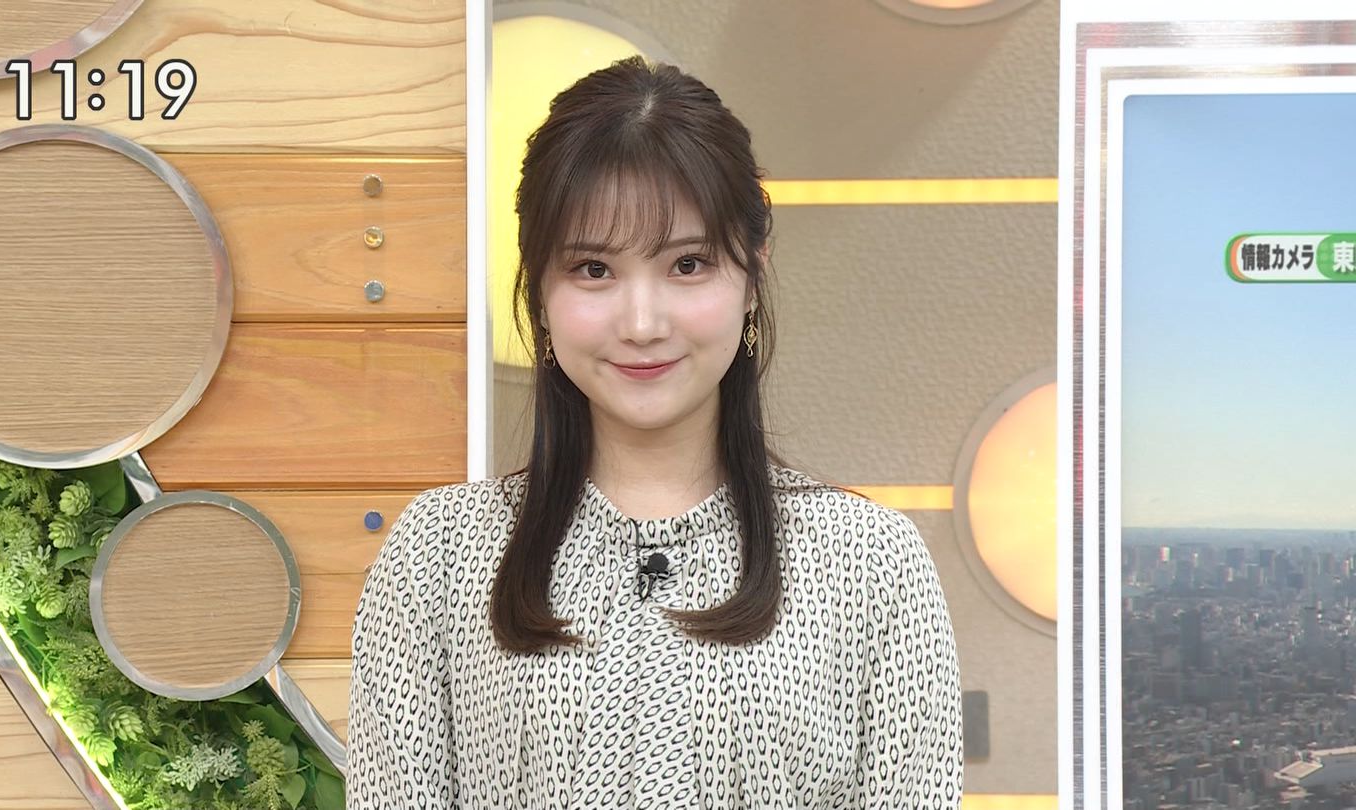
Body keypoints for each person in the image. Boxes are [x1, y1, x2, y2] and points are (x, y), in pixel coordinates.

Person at [346, 55, 963, 809]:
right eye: (593, 269)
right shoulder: (437, 557)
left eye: (688, 264)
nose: (642, 323)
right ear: (539, 288)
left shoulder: (872, 565)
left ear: (752, 275)